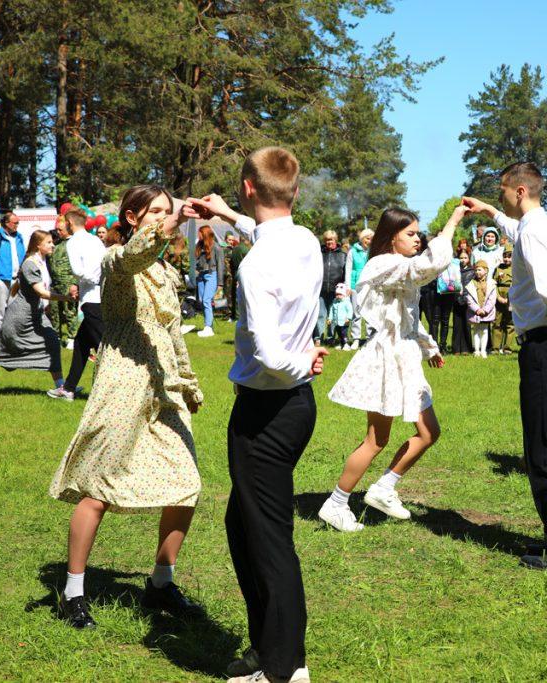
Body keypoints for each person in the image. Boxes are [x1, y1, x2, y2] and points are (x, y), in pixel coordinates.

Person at [183, 148, 325, 683]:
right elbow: (265, 228)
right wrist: (224, 213)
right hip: (290, 406)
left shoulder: (257, 263)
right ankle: (268, 649)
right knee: (243, 527)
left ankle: (286, 668)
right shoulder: (303, 238)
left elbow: (268, 353)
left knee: (267, 539)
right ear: (292, 190)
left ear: (248, 185)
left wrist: (301, 363)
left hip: (269, 407)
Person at [49, 185, 205, 630]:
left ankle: (160, 582)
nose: (163, 218)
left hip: (163, 386)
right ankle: (73, 591)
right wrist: (170, 223)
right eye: (155, 212)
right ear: (133, 218)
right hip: (122, 384)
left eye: (167, 212)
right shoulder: (115, 261)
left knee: (185, 484)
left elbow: (172, 333)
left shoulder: (165, 273)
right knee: (98, 487)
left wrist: (188, 382)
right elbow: (135, 254)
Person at [464, 163, 547, 573]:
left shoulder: (534, 231)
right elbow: (520, 234)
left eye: (502, 190)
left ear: (520, 191)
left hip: (545, 344)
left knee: (542, 449)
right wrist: (489, 212)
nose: (500, 195)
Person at [320, 206, 462, 533]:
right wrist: (452, 223)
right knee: (376, 439)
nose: (418, 239)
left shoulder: (397, 265)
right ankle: (338, 503)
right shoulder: (384, 264)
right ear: (391, 236)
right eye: (411, 234)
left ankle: (381, 488)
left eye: (418, 234)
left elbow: (407, 317)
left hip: (403, 357)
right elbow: (429, 265)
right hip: (386, 361)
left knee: (425, 433)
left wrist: (429, 348)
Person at [0, 230, 75, 397]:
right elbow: (41, 292)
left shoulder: (42, 261)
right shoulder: (30, 264)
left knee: (52, 343)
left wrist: (46, 306)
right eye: (48, 242)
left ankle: (60, 386)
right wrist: (66, 298)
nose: (52, 245)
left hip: (36, 314)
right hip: (19, 317)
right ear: (38, 245)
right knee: (2, 348)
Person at [47, 210, 107, 401]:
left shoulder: (73, 242)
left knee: (106, 348)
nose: (60, 226)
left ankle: (123, 388)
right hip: (100, 296)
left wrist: (86, 280)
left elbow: (78, 270)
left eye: (63, 223)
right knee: (81, 343)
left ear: (70, 223)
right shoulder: (96, 240)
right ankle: (69, 388)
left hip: (92, 299)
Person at [0, 211, 25, 338]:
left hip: (17, 279)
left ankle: (12, 337)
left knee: (15, 310)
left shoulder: (19, 237)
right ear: (7, 223)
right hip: (2, 279)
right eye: (15, 223)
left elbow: (23, 256)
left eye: (18, 223)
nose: (17, 225)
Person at [47, 212, 80, 350]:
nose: (58, 232)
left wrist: (75, 283)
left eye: (61, 230)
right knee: (55, 312)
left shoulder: (75, 244)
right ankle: (57, 336)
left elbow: (78, 266)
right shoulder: (57, 244)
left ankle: (72, 338)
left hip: (68, 283)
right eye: (58, 230)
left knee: (70, 311)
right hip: (55, 284)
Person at [344, 227, 374, 349]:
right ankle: (355, 339)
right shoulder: (353, 251)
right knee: (356, 313)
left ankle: (368, 338)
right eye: (367, 238)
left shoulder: (373, 251)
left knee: (368, 313)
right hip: (355, 285)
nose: (369, 241)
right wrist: (348, 286)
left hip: (369, 285)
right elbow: (348, 269)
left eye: (372, 238)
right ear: (362, 239)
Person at [192, 225, 224, 337]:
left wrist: (220, 284)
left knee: (206, 300)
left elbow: (221, 265)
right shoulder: (199, 245)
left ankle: (208, 327)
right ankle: (208, 326)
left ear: (205, 234)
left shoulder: (217, 247)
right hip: (200, 276)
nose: (198, 235)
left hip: (211, 275)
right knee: (201, 300)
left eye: (199, 233)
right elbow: (196, 262)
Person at [317, 230, 346, 344]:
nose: (329, 242)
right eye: (327, 240)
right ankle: (318, 337)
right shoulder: (319, 254)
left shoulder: (342, 255)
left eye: (331, 239)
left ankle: (330, 337)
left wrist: (343, 287)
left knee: (333, 314)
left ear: (336, 240)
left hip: (336, 290)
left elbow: (345, 272)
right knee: (320, 314)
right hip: (321, 289)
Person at [466, 259, 497, 358]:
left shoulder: (491, 283)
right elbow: (469, 299)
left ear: (486, 271)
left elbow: (492, 299)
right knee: (475, 331)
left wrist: (485, 310)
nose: (477, 272)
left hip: (486, 312)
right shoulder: (471, 284)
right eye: (476, 270)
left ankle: (483, 350)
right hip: (476, 312)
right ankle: (476, 350)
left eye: (479, 270)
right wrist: (476, 309)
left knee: (484, 330)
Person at [451, 247, 475, 354]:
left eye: (465, 258)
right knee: (457, 325)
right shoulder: (454, 270)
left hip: (467, 300)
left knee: (466, 325)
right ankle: (456, 348)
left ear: (469, 259)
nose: (463, 260)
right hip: (456, 299)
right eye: (461, 258)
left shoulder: (472, 272)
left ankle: (466, 348)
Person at [492, 249, 514, 353]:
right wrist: (498, 297)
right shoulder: (498, 269)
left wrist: (510, 299)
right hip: (500, 298)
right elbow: (493, 284)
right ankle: (496, 348)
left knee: (510, 323)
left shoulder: (517, 269)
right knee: (497, 322)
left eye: (509, 257)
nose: (506, 259)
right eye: (505, 256)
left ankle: (507, 348)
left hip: (512, 297)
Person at [328, 283, 353, 349]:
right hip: (336, 322)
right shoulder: (334, 301)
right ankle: (341, 343)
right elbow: (331, 310)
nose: (338, 296)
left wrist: (348, 318)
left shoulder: (346, 302)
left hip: (344, 322)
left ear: (344, 294)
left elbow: (350, 310)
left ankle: (346, 344)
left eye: (340, 294)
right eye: (337, 294)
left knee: (344, 333)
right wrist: (330, 318)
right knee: (339, 333)